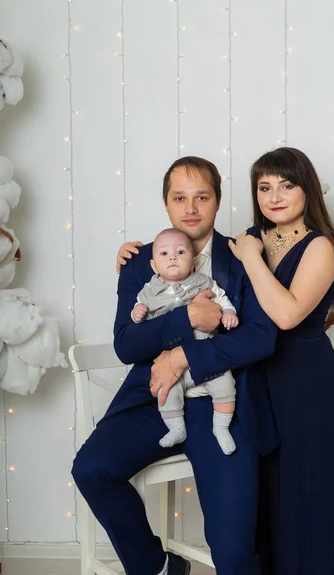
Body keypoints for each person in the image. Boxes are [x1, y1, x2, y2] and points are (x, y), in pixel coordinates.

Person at [72, 156, 279, 575]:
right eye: (179, 197)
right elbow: (127, 345)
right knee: (91, 469)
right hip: (154, 396)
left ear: (218, 201)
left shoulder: (246, 257)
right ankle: (158, 566)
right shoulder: (140, 261)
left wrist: (185, 353)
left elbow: (260, 337)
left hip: (223, 404)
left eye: (201, 196)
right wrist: (186, 319)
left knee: (235, 551)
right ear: (166, 203)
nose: (191, 208)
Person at [227, 147, 334, 575]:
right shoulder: (252, 236)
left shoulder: (319, 246)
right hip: (256, 384)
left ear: (308, 189)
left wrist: (250, 258)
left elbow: (286, 314)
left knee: (310, 497)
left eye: (286, 184)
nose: (274, 195)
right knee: (265, 500)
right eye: (264, 187)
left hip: (307, 386)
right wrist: (136, 253)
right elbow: (191, 263)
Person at [132, 226, 239, 455]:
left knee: (225, 384)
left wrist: (228, 312)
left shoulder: (202, 282)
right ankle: (176, 428)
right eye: (164, 254)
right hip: (170, 361)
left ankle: (221, 428)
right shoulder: (149, 291)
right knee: (166, 390)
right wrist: (138, 312)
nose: (172, 257)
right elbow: (137, 316)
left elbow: (221, 298)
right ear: (154, 265)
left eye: (180, 252)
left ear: (192, 262)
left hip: (205, 354)